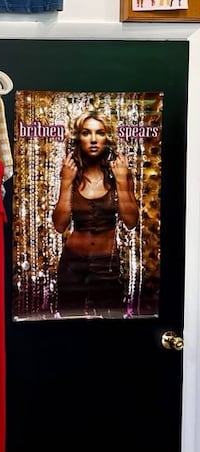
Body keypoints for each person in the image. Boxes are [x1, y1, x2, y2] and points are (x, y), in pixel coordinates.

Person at [52, 111, 139, 315]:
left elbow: (131, 221)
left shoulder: (120, 171)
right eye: (86, 133)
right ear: (78, 138)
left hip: (106, 266)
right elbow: (59, 225)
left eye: (99, 133)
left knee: (109, 329)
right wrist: (65, 183)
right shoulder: (70, 172)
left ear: (108, 138)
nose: (93, 139)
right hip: (72, 265)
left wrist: (121, 182)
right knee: (69, 324)